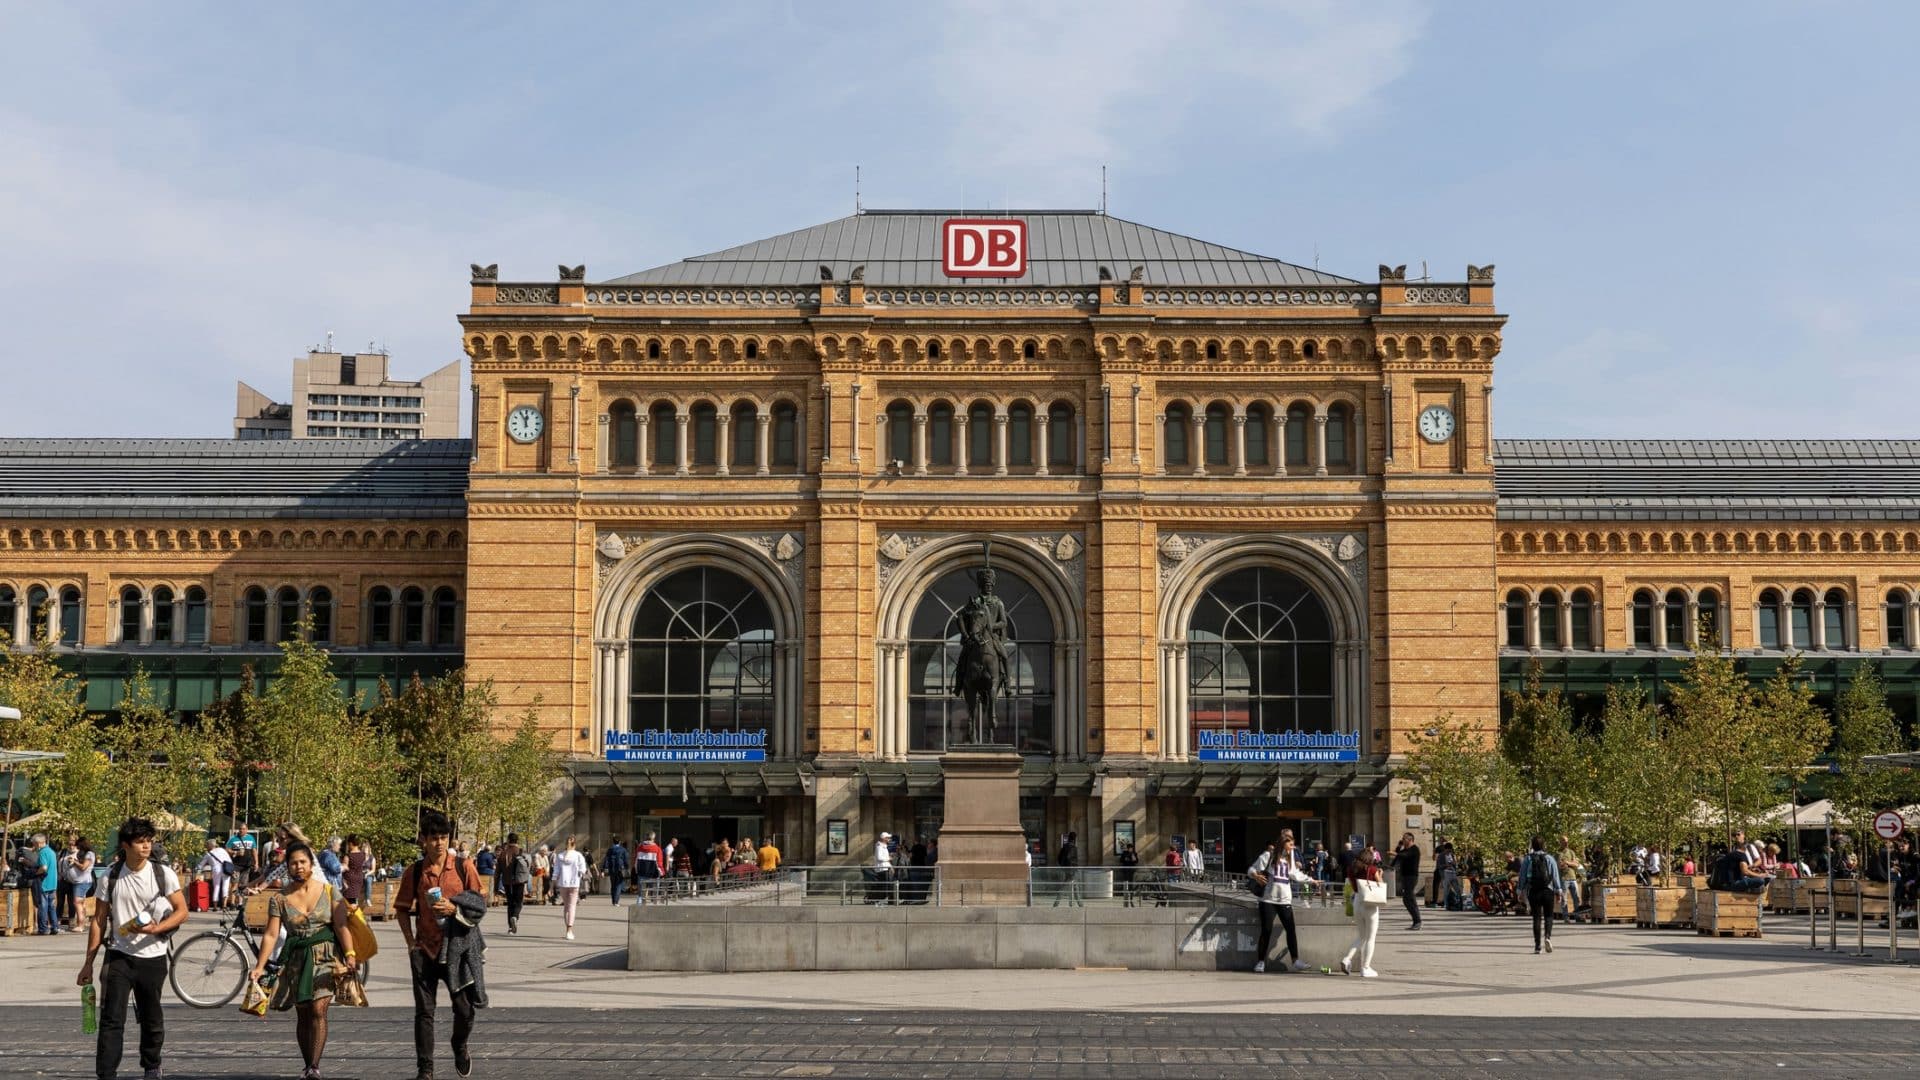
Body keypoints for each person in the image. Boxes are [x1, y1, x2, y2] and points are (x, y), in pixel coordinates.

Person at [79, 816, 188, 1080]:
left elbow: (182, 911)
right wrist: (88, 963)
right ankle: (106, 1074)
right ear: (126, 845)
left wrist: (156, 929)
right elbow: (98, 920)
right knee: (111, 1020)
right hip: (118, 956)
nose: (147, 847)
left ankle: (152, 1065)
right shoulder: (111, 876)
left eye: (149, 841)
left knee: (151, 1018)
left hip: (153, 957)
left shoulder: (163, 874)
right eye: (140, 842)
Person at [249, 840, 356, 1080]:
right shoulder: (279, 899)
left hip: (326, 956)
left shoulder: (330, 892)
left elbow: (341, 926)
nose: (298, 867)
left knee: (319, 1009)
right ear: (287, 867)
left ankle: (314, 1067)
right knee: (304, 1013)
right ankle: (308, 1064)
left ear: (311, 864)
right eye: (293, 863)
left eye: (303, 862)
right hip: (296, 959)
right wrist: (258, 967)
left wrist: (350, 954)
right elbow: (271, 934)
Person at [394, 810, 485, 1080]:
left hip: (458, 949)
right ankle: (426, 1069)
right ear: (424, 840)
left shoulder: (462, 866)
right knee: (424, 1012)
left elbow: (480, 901)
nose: (439, 843)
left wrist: (454, 907)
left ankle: (459, 1045)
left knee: (464, 1009)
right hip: (425, 950)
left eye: (444, 837)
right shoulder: (415, 872)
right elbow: (401, 909)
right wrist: (410, 943)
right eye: (434, 838)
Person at [1249, 832, 1313, 973]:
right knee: (1266, 930)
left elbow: (1295, 875)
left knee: (1291, 930)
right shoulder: (1268, 856)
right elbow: (1251, 870)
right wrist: (1256, 875)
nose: (1293, 847)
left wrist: (1311, 880)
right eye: (1290, 845)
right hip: (1268, 900)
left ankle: (1295, 960)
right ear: (1283, 844)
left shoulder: (1289, 859)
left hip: (1285, 900)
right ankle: (1260, 962)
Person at [1340, 843, 1382, 978]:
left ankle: (1347, 958)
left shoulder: (1351, 870)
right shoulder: (1373, 869)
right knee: (1371, 937)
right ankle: (1366, 967)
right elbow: (1380, 885)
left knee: (1361, 936)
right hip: (1370, 904)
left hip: (1357, 901)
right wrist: (1380, 874)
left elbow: (1353, 886)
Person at [1518, 836, 1562, 954]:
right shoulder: (1549, 858)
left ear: (1532, 845)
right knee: (1548, 916)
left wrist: (1520, 891)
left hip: (1533, 891)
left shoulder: (1528, 859)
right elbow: (1555, 875)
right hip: (1548, 890)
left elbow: (1522, 876)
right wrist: (1558, 891)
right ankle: (1547, 937)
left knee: (1536, 918)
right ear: (1544, 845)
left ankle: (1537, 946)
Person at [551, 835, 587, 940]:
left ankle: (567, 929)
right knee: (572, 907)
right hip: (574, 883)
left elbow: (556, 871)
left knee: (566, 907)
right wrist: (579, 874)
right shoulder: (578, 855)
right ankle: (569, 930)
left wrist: (552, 884)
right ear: (575, 844)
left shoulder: (560, 856)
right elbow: (583, 869)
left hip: (563, 883)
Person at [498, 832, 529, 934]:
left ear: (508, 840)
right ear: (517, 841)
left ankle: (511, 928)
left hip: (506, 881)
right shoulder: (520, 852)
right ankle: (515, 917)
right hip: (519, 881)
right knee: (518, 902)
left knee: (510, 903)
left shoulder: (503, 853)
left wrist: (495, 887)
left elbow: (497, 872)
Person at [66, 836, 98, 932]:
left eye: (78, 845)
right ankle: (82, 924)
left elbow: (84, 867)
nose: (77, 847)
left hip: (82, 882)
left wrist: (74, 862)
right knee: (81, 904)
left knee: (77, 903)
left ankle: (80, 925)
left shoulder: (89, 854)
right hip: (79, 882)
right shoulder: (86, 854)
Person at [1392, 832, 1422, 930]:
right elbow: (1397, 858)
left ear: (1410, 840)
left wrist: (1397, 853)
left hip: (1411, 877)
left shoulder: (1414, 850)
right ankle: (1416, 921)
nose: (1402, 840)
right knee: (1408, 899)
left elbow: (1405, 856)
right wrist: (1398, 847)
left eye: (1404, 839)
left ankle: (1417, 921)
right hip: (1405, 876)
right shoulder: (1405, 849)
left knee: (1409, 899)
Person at [31, 833, 58, 935]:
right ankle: (54, 927)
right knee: (51, 906)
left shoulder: (42, 852)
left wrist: (35, 873)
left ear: (38, 843)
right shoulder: (51, 851)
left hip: (44, 883)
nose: (33, 845)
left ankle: (43, 928)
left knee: (42, 906)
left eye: (34, 843)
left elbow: (44, 867)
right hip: (53, 882)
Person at [341, 835, 371, 914]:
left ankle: (351, 918)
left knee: (347, 901)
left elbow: (344, 868)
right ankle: (354, 915)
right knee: (353, 899)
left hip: (349, 880)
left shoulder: (348, 856)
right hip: (359, 879)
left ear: (351, 843)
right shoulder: (363, 855)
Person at [632, 832, 664, 904]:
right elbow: (659, 863)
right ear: (653, 838)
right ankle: (653, 906)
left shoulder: (639, 848)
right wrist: (661, 872)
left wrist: (637, 871)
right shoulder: (657, 849)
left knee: (640, 894)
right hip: (653, 874)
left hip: (641, 873)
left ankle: (639, 907)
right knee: (654, 893)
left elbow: (636, 860)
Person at [868, 831, 895, 904]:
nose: (889, 839)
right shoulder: (879, 846)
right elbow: (879, 857)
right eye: (888, 838)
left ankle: (889, 899)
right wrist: (888, 858)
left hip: (885, 868)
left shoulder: (884, 846)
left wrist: (891, 867)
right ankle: (879, 899)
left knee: (887, 885)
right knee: (884, 885)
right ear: (884, 838)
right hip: (882, 869)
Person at [603, 837, 629, 905]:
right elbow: (625, 860)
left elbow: (606, 859)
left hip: (612, 869)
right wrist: (627, 867)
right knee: (618, 885)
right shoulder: (623, 850)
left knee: (613, 885)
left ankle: (613, 900)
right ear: (619, 842)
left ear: (613, 842)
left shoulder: (610, 849)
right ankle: (616, 901)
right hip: (620, 869)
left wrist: (604, 868)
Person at [1117, 842, 1140, 906]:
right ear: (1127, 848)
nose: (1131, 849)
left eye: (1132, 848)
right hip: (1126, 869)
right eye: (1130, 848)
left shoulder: (1134, 853)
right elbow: (1121, 860)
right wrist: (1125, 859)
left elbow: (1136, 861)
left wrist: (1132, 856)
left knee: (1131, 881)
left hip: (1131, 870)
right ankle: (1125, 893)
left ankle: (1131, 892)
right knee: (1126, 881)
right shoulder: (1124, 853)